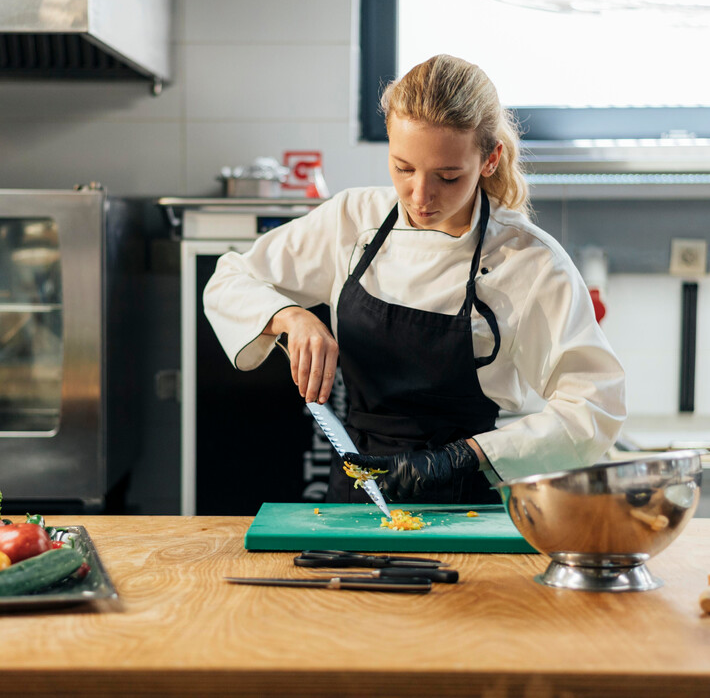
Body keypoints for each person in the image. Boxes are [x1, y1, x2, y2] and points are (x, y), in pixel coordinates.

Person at [203, 54, 626, 505]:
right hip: (358, 493)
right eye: (403, 168)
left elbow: (595, 405)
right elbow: (229, 278)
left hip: (469, 500)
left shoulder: (529, 261)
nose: (420, 196)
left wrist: (461, 457)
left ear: (490, 160)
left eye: (448, 176)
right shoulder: (353, 220)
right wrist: (290, 316)